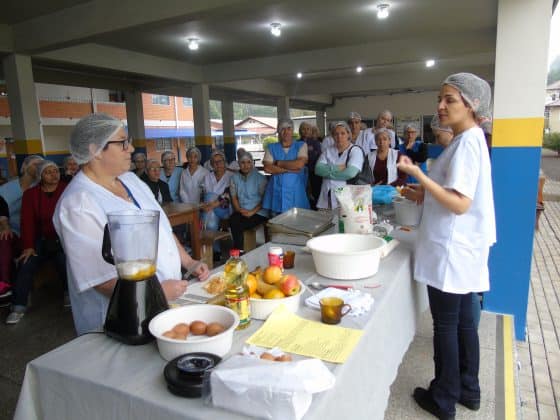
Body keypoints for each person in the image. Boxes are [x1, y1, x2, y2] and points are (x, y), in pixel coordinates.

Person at [53, 113, 209, 335]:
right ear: (95, 150)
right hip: (121, 319)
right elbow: (98, 278)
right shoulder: (78, 204)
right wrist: (154, 293)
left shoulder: (131, 181)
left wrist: (189, 261)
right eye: (123, 143)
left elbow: (161, 229)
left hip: (164, 302)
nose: (132, 148)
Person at [397, 73, 495, 420]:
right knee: (465, 322)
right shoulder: (467, 139)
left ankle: (443, 398)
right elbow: (451, 191)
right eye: (440, 98)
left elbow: (459, 203)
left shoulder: (466, 143)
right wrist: (421, 192)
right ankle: (469, 389)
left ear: (472, 105)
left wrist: (419, 175)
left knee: (447, 325)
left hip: (451, 250)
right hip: (463, 248)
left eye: (450, 99)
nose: (440, 106)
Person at [6, 160, 69, 324]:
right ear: (41, 175)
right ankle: (18, 306)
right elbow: (27, 222)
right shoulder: (31, 194)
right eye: (48, 172)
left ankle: (70, 293)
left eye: (55, 171)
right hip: (40, 239)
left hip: (63, 238)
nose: (53, 175)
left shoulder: (67, 189)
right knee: (26, 263)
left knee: (64, 261)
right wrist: (28, 246)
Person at [0, 155, 43, 298]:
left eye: (41, 165)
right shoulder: (5, 189)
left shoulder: (41, 187)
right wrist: (4, 227)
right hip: (11, 231)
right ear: (24, 167)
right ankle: (5, 284)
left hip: (32, 234)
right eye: (35, 164)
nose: (38, 167)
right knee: (4, 238)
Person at [262, 118, 310, 214]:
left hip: (296, 193)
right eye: (282, 129)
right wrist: (290, 170)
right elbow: (267, 168)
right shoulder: (271, 147)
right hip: (276, 192)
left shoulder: (301, 145)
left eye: (289, 128)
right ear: (278, 131)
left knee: (297, 220)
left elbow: (299, 164)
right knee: (277, 220)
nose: (286, 131)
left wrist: (278, 163)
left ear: (292, 130)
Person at [315, 121, 364, 209]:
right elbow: (318, 170)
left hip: (347, 197)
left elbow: (350, 173)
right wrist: (337, 168)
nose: (339, 136)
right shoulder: (328, 151)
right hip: (327, 196)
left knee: (345, 217)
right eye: (336, 134)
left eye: (343, 133)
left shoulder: (355, 150)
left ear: (348, 134)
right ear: (332, 136)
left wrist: (326, 174)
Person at [229, 151, 268, 251]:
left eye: (248, 162)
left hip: (258, 212)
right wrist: (239, 210)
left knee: (239, 224)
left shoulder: (260, 178)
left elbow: (265, 199)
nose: (246, 165)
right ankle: (239, 249)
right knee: (233, 220)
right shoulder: (234, 178)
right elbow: (234, 197)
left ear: (252, 163)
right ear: (239, 164)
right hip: (242, 210)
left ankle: (238, 250)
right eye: (243, 162)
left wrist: (251, 212)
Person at [298, 122, 322, 209]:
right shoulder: (297, 143)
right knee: (302, 191)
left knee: (316, 192)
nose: (306, 131)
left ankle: (315, 209)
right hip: (300, 172)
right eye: (303, 129)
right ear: (300, 131)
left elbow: (319, 157)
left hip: (314, 172)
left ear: (311, 131)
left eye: (308, 129)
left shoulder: (315, 143)